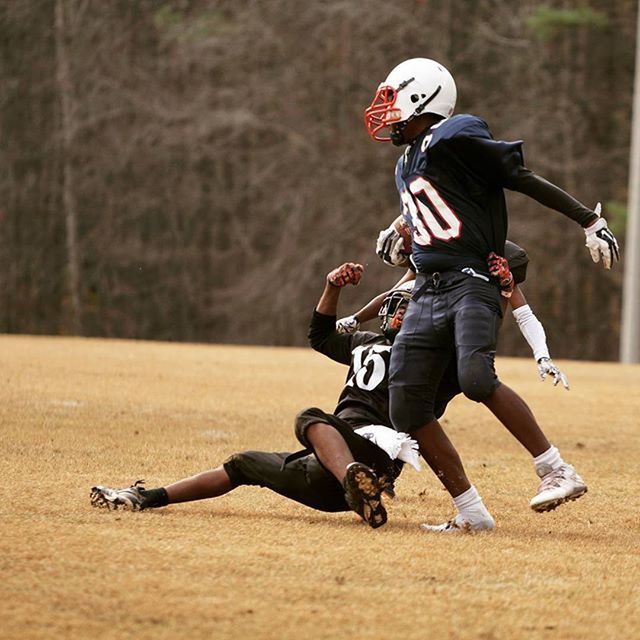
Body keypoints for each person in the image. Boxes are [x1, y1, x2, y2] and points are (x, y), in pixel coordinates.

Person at [362, 58, 619, 530]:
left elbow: (520, 179)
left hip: (471, 282)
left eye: (393, 100)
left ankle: (556, 469)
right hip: (428, 289)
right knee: (406, 405)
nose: (387, 112)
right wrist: (402, 226)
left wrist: (588, 220)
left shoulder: (454, 135)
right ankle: (471, 512)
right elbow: (442, 205)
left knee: (477, 378)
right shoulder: (407, 162)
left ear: (423, 99)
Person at [90, 262, 421, 529]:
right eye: (398, 308)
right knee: (244, 463)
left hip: (374, 455)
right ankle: (146, 498)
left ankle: (356, 483)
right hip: (326, 472)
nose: (400, 315)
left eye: (410, 311)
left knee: (310, 417)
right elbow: (319, 336)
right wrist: (332, 287)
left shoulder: (428, 357)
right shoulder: (364, 342)